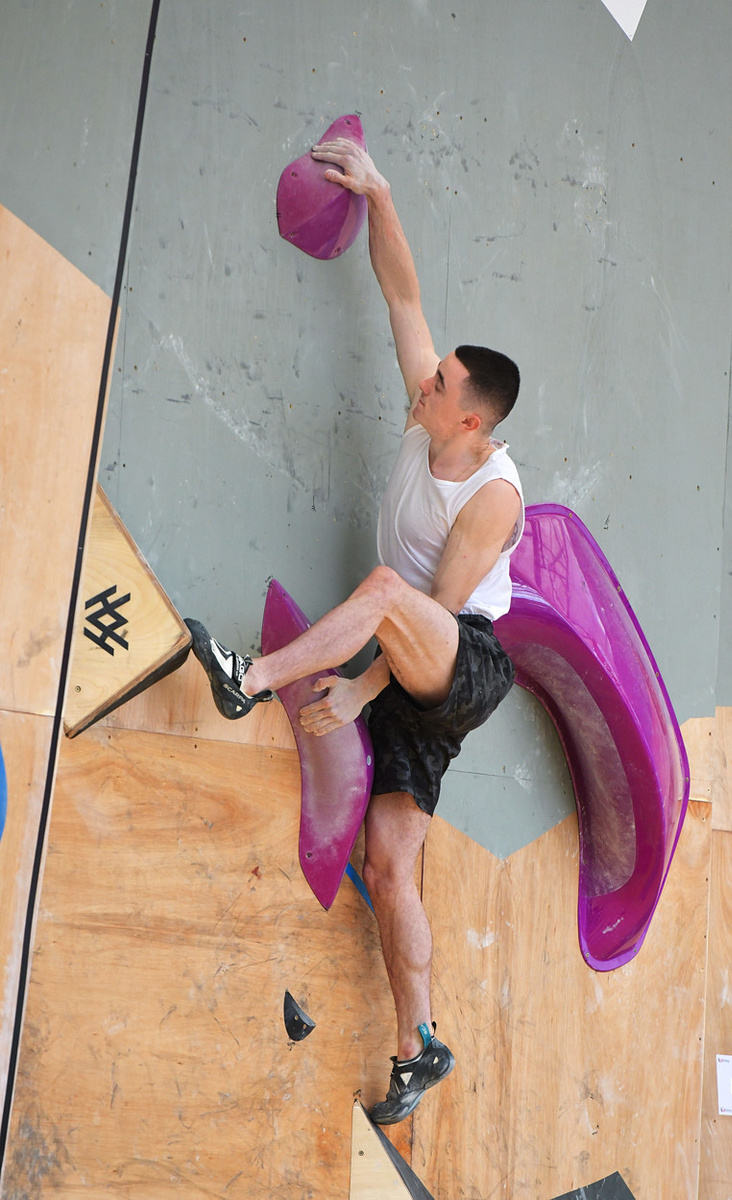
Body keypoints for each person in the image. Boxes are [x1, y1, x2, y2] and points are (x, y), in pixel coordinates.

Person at [185, 136, 524, 1125]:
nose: (421, 383)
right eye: (432, 377)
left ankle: (245, 675)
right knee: (389, 862)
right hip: (419, 666)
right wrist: (378, 195)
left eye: (438, 387)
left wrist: (358, 688)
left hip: (460, 665)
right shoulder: (438, 414)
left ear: (471, 424)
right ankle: (420, 1046)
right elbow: (405, 299)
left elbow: (444, 612)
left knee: (381, 587)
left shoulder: (494, 500)